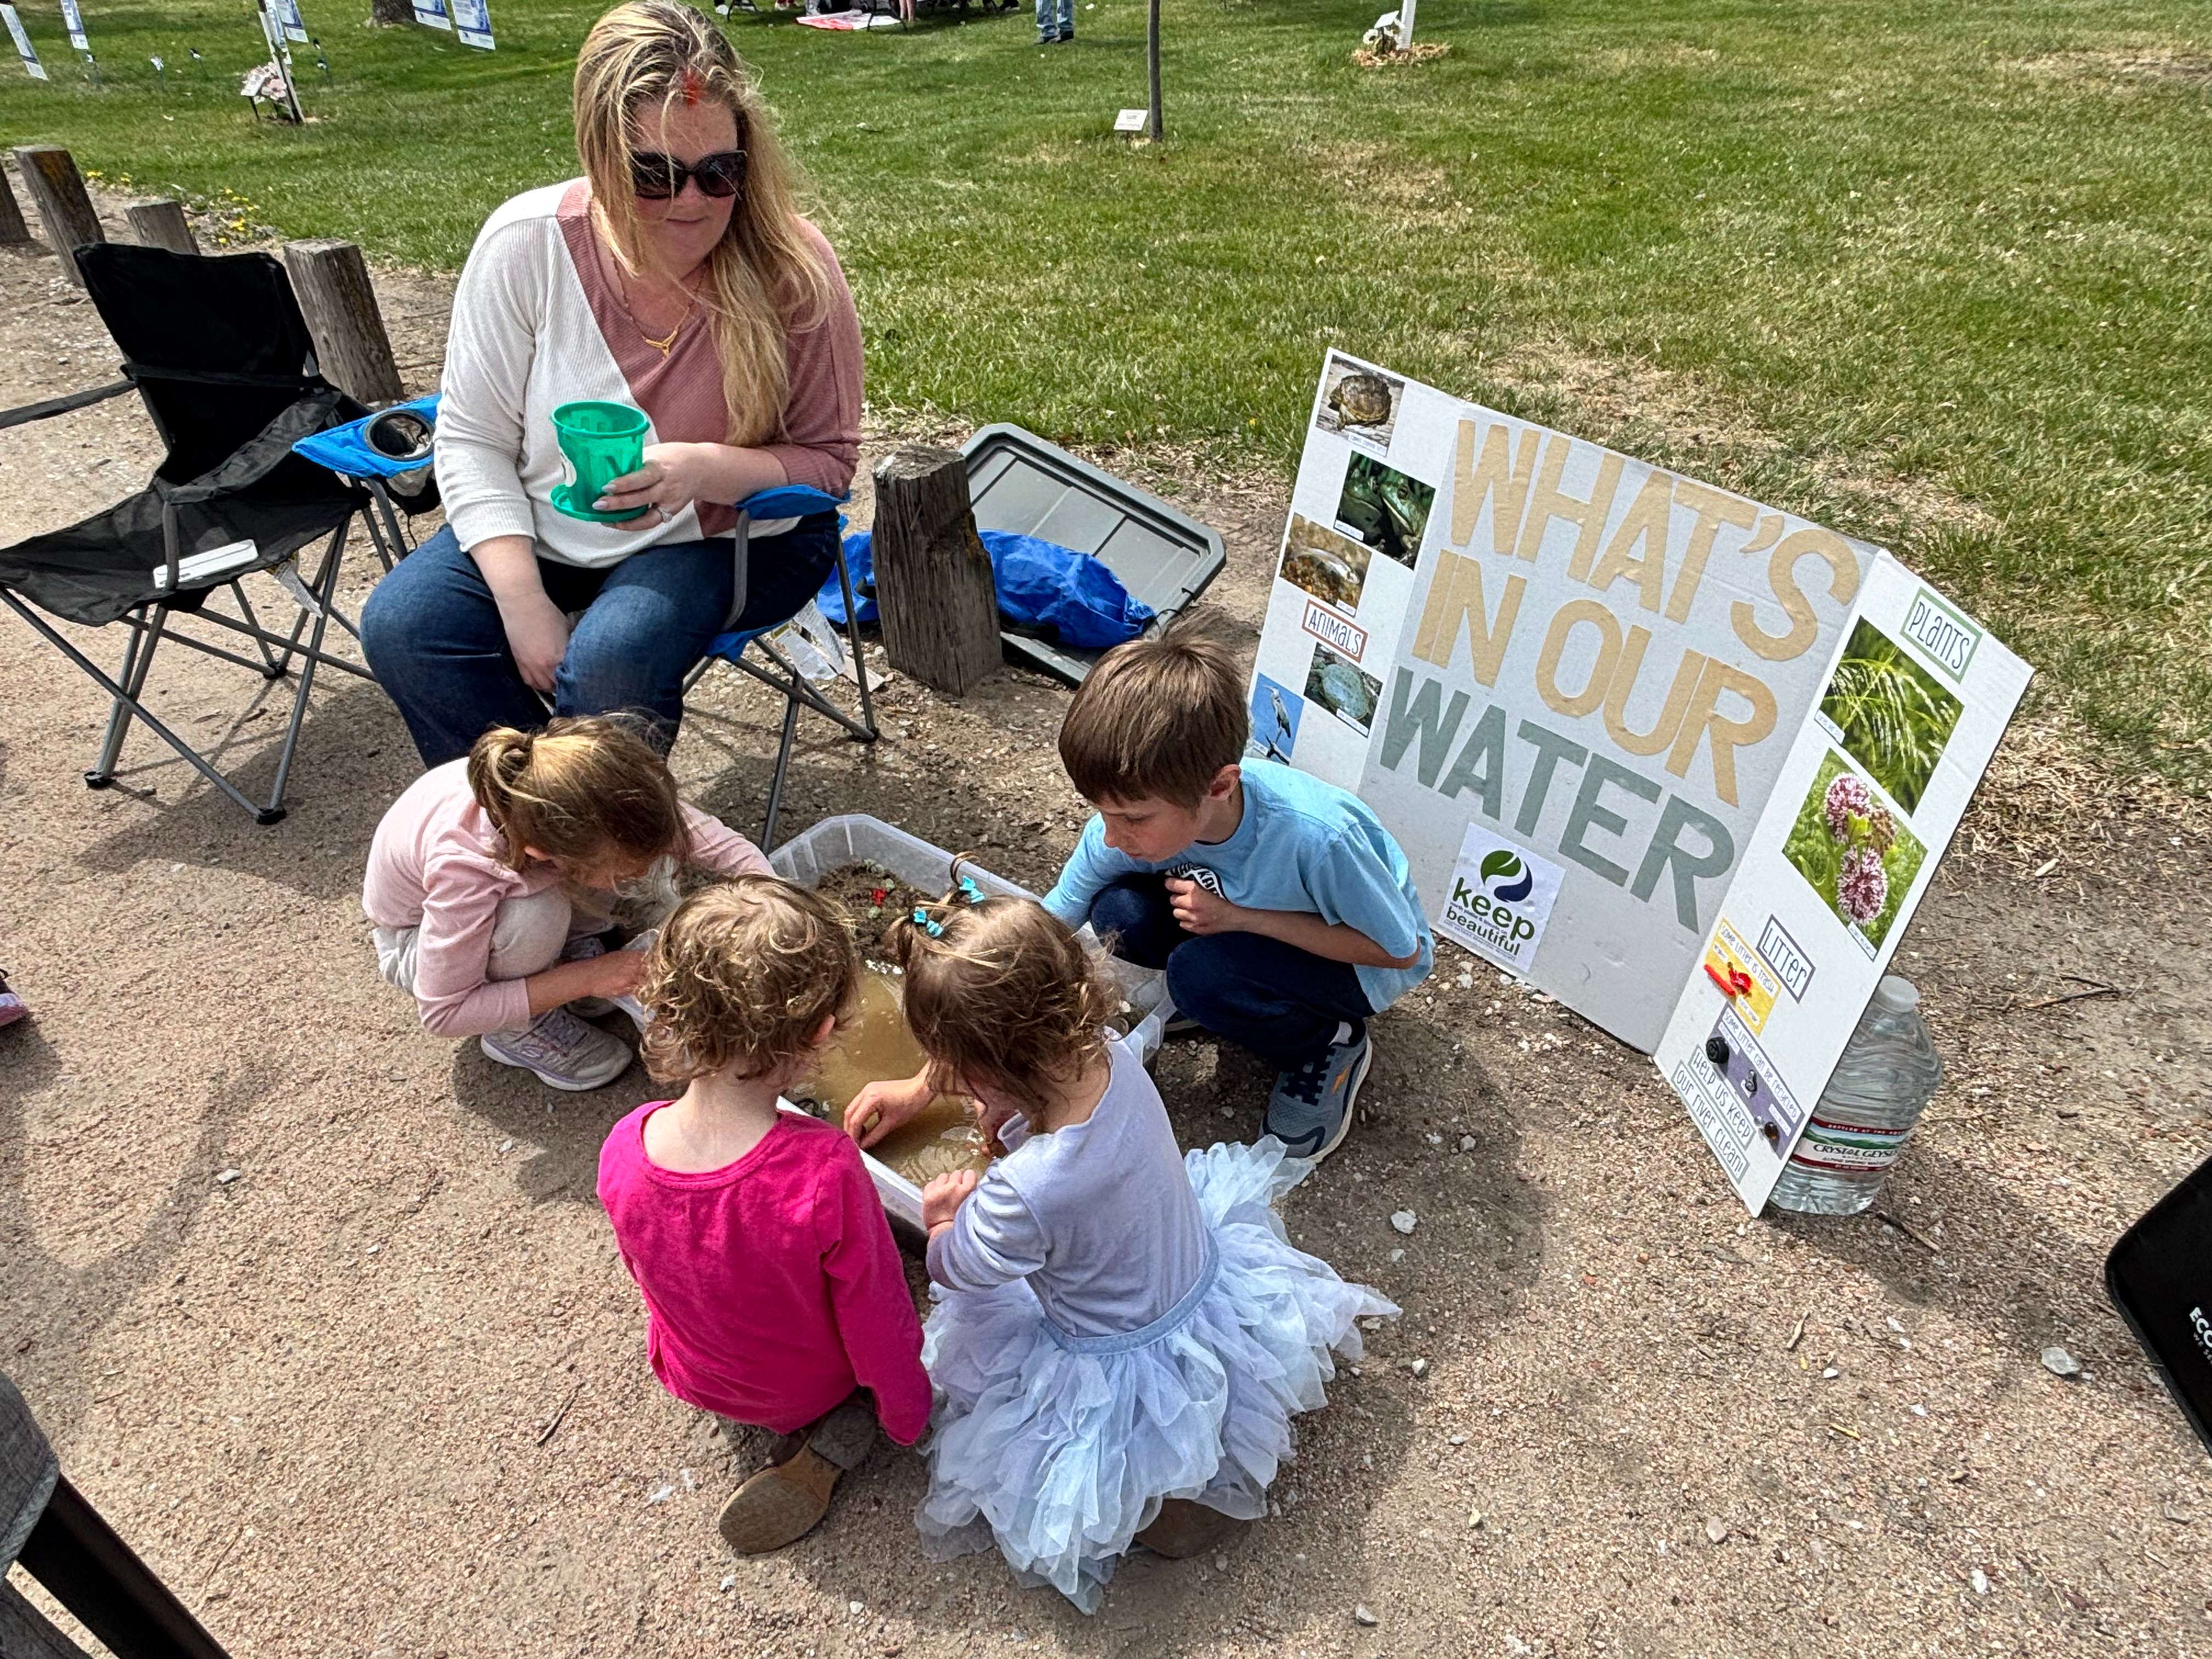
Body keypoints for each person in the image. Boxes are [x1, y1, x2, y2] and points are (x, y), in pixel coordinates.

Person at [850, 884, 1391, 1611]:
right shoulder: (1110, 1056)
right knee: (1184, 1407)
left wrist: (945, 1219)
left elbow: (966, 1272)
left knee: (1040, 1407)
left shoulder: (1030, 1186)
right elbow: (1017, 1076)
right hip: (1193, 1285)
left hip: (1111, 1351)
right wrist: (946, 1086)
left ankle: (1150, 1503)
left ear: (986, 1068)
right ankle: (1193, 1464)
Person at [361, 1, 864, 768]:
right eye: (653, 175)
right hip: (559, 518)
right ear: (598, 159)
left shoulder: (790, 264)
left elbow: (828, 464)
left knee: (610, 659)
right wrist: (524, 602)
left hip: (734, 532)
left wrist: (702, 469)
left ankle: (602, 846)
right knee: (407, 624)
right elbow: (471, 440)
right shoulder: (527, 246)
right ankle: (532, 832)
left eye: (720, 173)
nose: (691, 201)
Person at [854, 630, 1433, 1165]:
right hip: (1227, 915)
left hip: (1356, 962)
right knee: (1118, 914)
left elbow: (1400, 950)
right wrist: (931, 1080)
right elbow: (1041, 934)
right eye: (1102, 812)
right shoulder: (1140, 817)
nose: (1111, 836)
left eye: (1132, 817)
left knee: (1197, 974)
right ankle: (1229, 995)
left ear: (1219, 786)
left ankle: (1327, 1045)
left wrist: (1241, 919)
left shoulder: (1317, 837)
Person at [598, 878, 931, 1554]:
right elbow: (878, 1316)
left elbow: (655, 1271)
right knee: (928, 1330)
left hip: (693, 1375)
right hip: (802, 1390)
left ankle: (800, 1428)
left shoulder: (625, 1144)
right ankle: (836, 1442)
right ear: (821, 1031)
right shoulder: (823, 1168)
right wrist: (909, 1412)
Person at [362, 714, 770, 1090]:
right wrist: (588, 977)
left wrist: (773, 899)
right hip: (416, 942)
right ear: (544, 854)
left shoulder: (588, 792)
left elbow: (710, 841)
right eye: (619, 873)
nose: (631, 877)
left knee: (624, 868)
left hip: (532, 874)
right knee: (536, 915)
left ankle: (567, 954)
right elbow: (444, 1012)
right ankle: (517, 1030)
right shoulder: (466, 868)